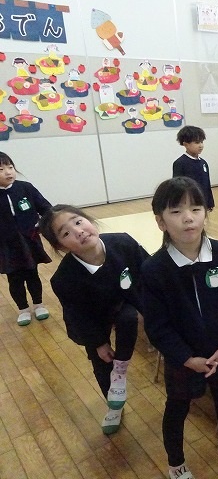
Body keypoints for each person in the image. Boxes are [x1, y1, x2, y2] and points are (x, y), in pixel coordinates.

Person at [142, 177, 218, 478]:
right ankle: (176, 463)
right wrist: (185, 358)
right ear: (160, 222)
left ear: (206, 213)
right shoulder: (154, 269)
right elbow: (157, 325)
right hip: (183, 358)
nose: (188, 217)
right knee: (178, 406)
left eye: (196, 208)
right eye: (176, 211)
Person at [40, 204, 149, 435]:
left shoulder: (123, 242)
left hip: (126, 301)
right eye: (66, 233)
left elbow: (149, 273)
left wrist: (150, 309)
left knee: (129, 317)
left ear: (88, 220)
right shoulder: (64, 279)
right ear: (61, 246)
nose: (78, 231)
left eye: (78, 222)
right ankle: (114, 406)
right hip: (94, 315)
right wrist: (99, 343)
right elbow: (79, 316)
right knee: (100, 360)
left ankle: (120, 368)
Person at [0, 152, 52, 326]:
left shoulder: (25, 188)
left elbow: (46, 208)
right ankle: (23, 309)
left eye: (10, 167)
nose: (8, 172)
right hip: (6, 245)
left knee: (32, 274)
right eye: (1, 169)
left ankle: (38, 305)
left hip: (29, 241)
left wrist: (45, 225)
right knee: (14, 278)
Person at [173, 125, 214, 211]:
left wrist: (210, 202)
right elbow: (177, 187)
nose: (201, 145)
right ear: (185, 144)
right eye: (197, 142)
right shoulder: (180, 163)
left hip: (203, 202)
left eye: (202, 142)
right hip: (188, 204)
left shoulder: (203, 163)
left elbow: (207, 184)